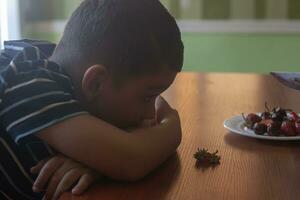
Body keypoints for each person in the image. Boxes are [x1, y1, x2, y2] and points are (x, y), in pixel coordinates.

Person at [0, 0, 184, 199]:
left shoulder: (57, 61)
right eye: (148, 97)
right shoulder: (28, 83)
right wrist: (172, 124)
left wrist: (99, 161)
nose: (151, 115)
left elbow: (126, 155)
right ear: (95, 83)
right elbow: (132, 160)